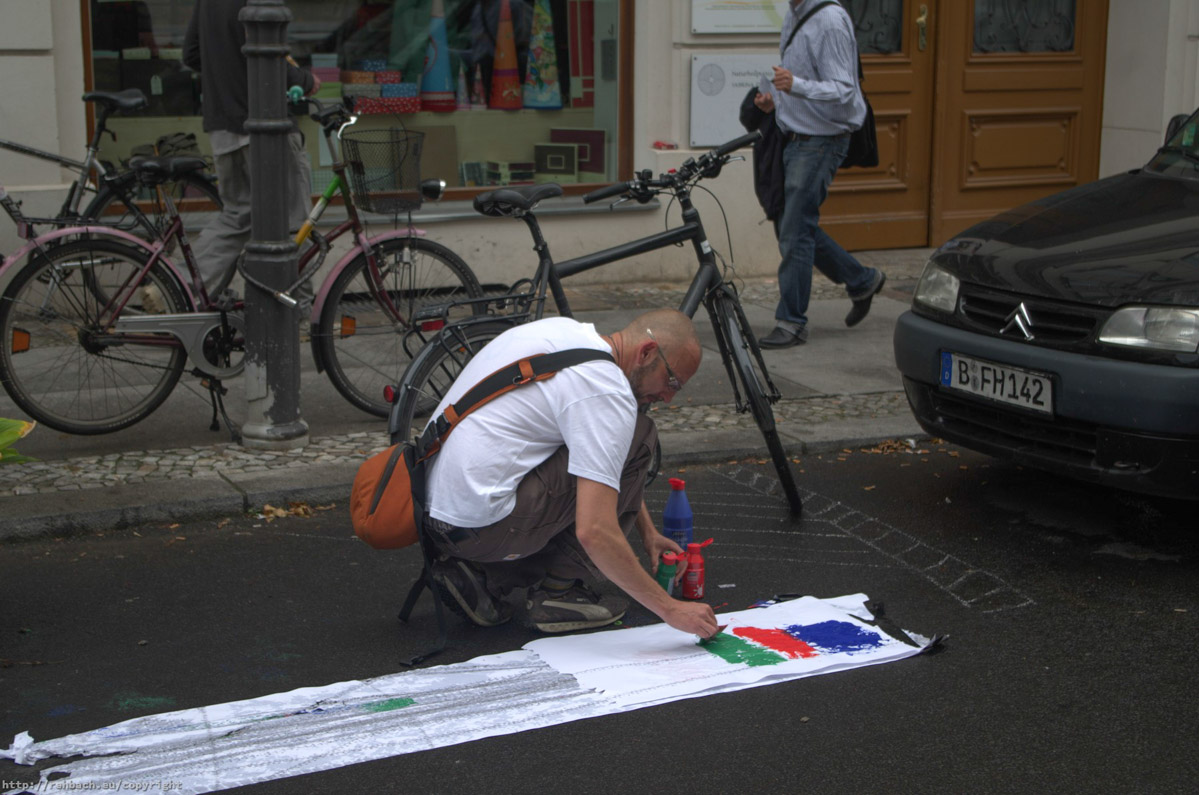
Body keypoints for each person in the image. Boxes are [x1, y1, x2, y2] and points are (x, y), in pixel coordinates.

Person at [422, 309, 720, 638]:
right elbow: (595, 531)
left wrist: (648, 532)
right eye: (671, 381)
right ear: (647, 352)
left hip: (435, 517)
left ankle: (480, 576)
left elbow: (603, 458)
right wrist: (670, 608)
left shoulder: (565, 332)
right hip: (479, 529)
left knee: (615, 440)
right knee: (640, 434)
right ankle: (557, 593)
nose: (668, 397)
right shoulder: (607, 392)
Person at [757, 0, 886, 350]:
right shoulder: (795, 14)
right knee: (793, 224)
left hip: (822, 140)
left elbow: (844, 90)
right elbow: (801, 82)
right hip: (795, 135)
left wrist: (795, 85)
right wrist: (776, 102)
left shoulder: (828, 20)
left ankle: (792, 322)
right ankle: (861, 280)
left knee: (795, 231)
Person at [183, 0, 318, 298]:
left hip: (221, 126)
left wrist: (225, 74)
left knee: (237, 215)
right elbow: (267, 54)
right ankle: (302, 312)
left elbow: (191, 54)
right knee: (294, 222)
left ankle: (181, 288)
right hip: (265, 122)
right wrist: (304, 80)